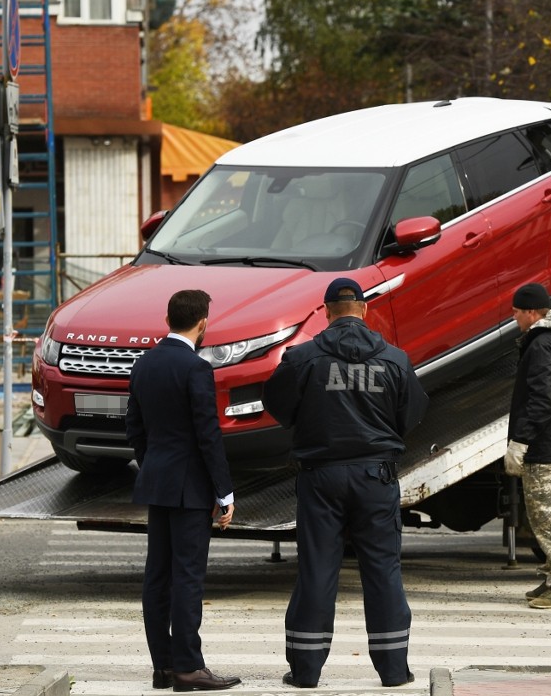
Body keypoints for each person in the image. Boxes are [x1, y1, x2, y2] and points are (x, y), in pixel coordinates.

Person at [262, 277, 429, 689]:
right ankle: (393, 671)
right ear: (365, 310)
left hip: (321, 477)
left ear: (326, 311)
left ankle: (305, 672)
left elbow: (277, 404)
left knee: (318, 570)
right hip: (376, 476)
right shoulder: (395, 359)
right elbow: (411, 415)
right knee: (383, 571)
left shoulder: (302, 358)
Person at [126, 289, 240, 692]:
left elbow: (135, 429)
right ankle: (189, 667)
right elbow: (207, 434)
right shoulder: (195, 368)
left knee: (157, 576)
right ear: (202, 322)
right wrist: (223, 492)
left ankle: (164, 666)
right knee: (188, 577)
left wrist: (155, 463)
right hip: (190, 487)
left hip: (157, 482)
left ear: (168, 320)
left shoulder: (144, 364)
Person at [504, 282, 551, 609]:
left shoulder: (541, 346)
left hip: (542, 446)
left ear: (533, 312)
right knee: (545, 514)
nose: (515, 318)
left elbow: (542, 401)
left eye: (518, 312)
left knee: (549, 517)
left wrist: (521, 439)